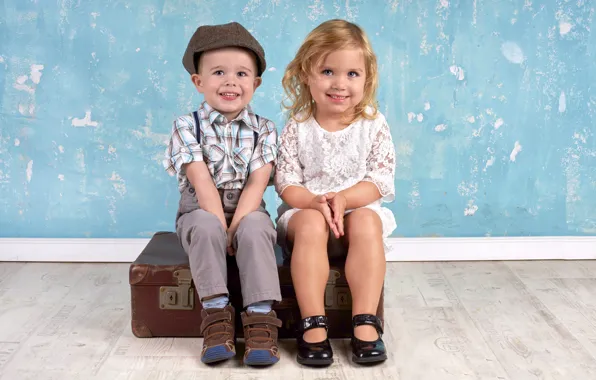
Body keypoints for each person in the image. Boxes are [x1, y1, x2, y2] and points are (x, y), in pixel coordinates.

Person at [275, 19, 396, 366]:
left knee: (367, 221)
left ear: (367, 79)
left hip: (355, 217)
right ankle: (313, 322)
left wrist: (343, 198)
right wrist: (314, 202)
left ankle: (364, 322)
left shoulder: (373, 124)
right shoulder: (298, 127)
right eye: (328, 71)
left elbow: (380, 180)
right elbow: (286, 181)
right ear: (305, 74)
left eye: (352, 74)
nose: (340, 84)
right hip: (307, 219)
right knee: (312, 223)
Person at [163, 22, 282, 366]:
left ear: (255, 83)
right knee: (204, 226)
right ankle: (216, 317)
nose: (231, 81)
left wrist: (236, 228)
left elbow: (257, 185)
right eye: (218, 72)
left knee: (258, 228)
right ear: (198, 82)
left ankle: (260, 319)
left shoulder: (265, 128)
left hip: (247, 207)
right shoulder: (187, 126)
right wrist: (220, 228)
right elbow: (201, 183)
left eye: (242, 73)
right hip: (202, 206)